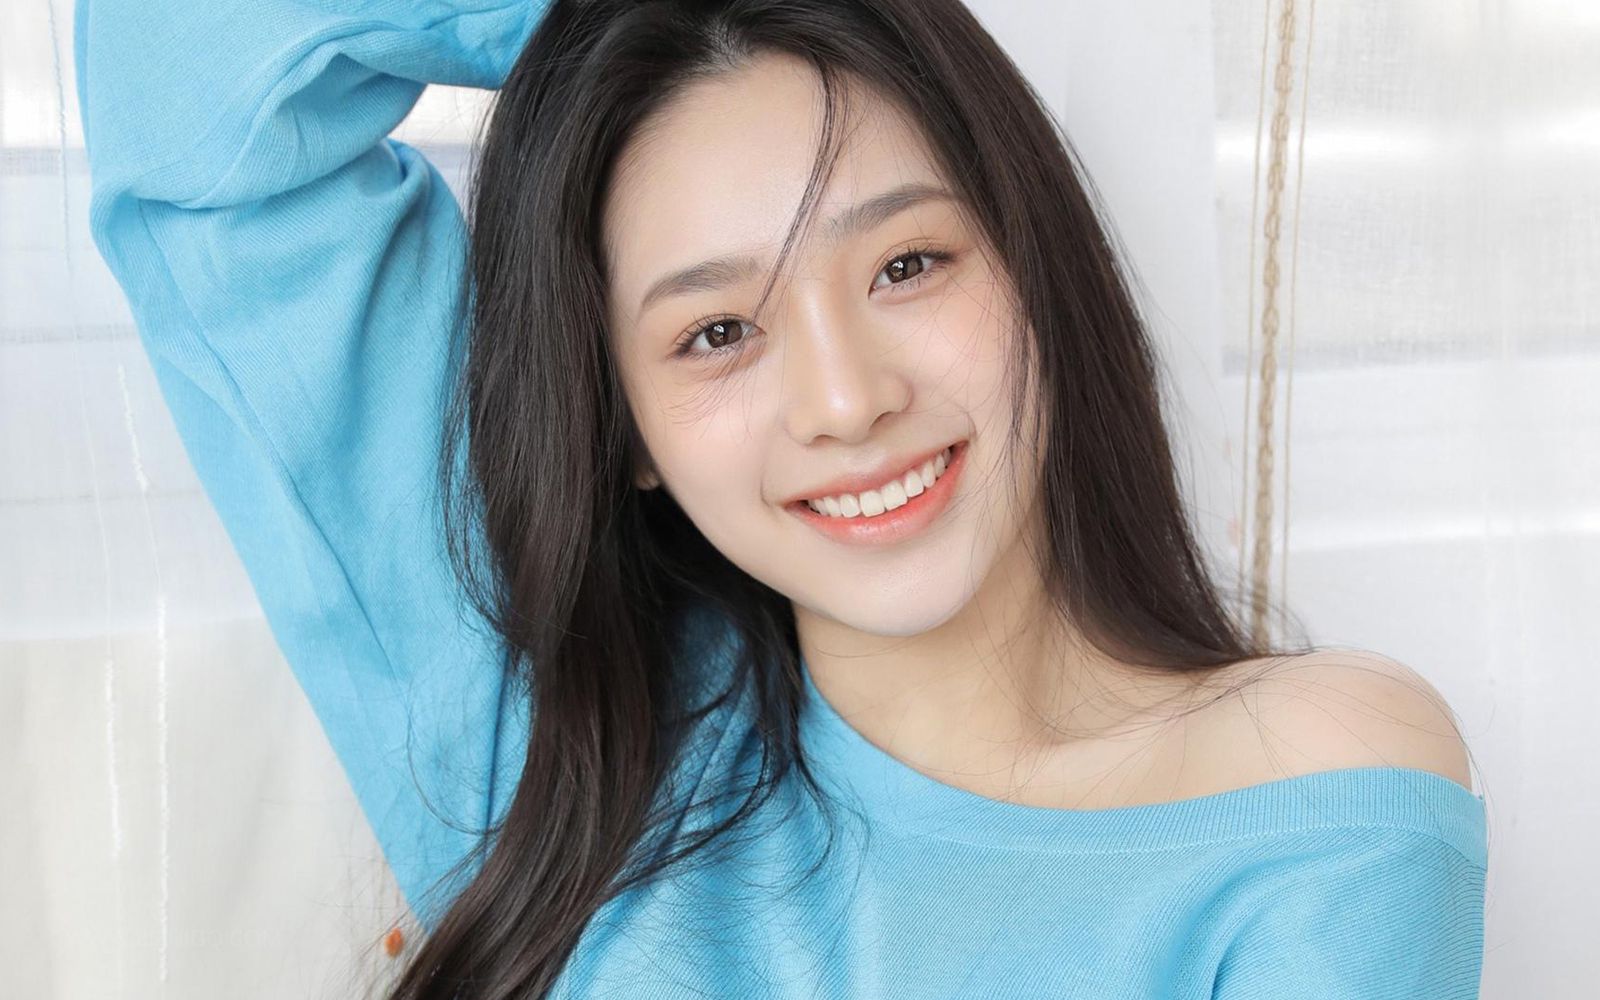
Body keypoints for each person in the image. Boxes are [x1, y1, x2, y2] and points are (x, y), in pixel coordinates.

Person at [75, 0, 1488, 996]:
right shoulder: (556, 739)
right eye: (716, 333)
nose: (845, 399)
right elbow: (184, 56)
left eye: (908, 266)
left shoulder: (1308, 784)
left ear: (1033, 265)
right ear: (622, 424)